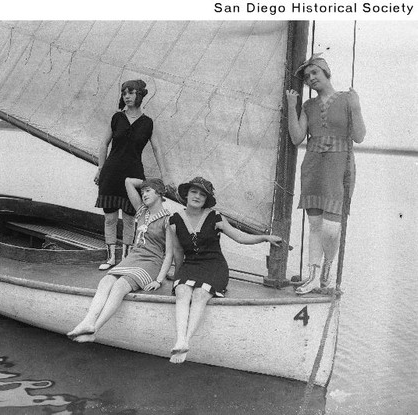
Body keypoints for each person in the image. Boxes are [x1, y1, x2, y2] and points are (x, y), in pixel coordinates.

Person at [169, 177, 282, 364]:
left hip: (214, 266)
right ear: (186, 195)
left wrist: (263, 238)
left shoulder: (215, 217)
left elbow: (240, 237)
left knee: (200, 293)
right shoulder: (174, 220)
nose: (197, 196)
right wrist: (177, 276)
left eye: (202, 194)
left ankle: (185, 342)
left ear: (206, 200)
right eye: (194, 192)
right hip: (190, 266)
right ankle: (180, 338)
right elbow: (178, 251)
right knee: (181, 290)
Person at [286, 54, 366, 294]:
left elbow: (360, 137)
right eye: (307, 77)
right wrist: (292, 107)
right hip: (313, 167)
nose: (311, 79)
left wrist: (357, 105)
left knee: (331, 228)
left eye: (315, 74)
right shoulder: (308, 106)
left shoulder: (346, 99)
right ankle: (312, 275)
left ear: (326, 72)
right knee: (314, 225)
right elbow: (296, 137)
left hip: (339, 167)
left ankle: (327, 266)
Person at [67, 177, 173, 342]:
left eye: (148, 191)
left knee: (120, 286)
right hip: (134, 258)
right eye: (143, 191)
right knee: (106, 281)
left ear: (159, 193)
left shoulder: (168, 220)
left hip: (151, 262)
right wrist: (148, 183)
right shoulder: (141, 211)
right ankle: (88, 322)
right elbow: (128, 182)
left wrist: (159, 280)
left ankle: (94, 329)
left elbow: (169, 254)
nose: (144, 194)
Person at [94, 79, 165, 270]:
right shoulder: (117, 118)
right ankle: (110, 259)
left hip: (133, 177)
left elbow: (157, 149)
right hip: (111, 173)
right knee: (109, 218)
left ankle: (125, 259)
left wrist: (165, 176)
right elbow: (103, 145)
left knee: (129, 219)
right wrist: (100, 169)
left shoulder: (148, 123)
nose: (127, 96)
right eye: (124, 93)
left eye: (131, 92)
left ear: (139, 95)